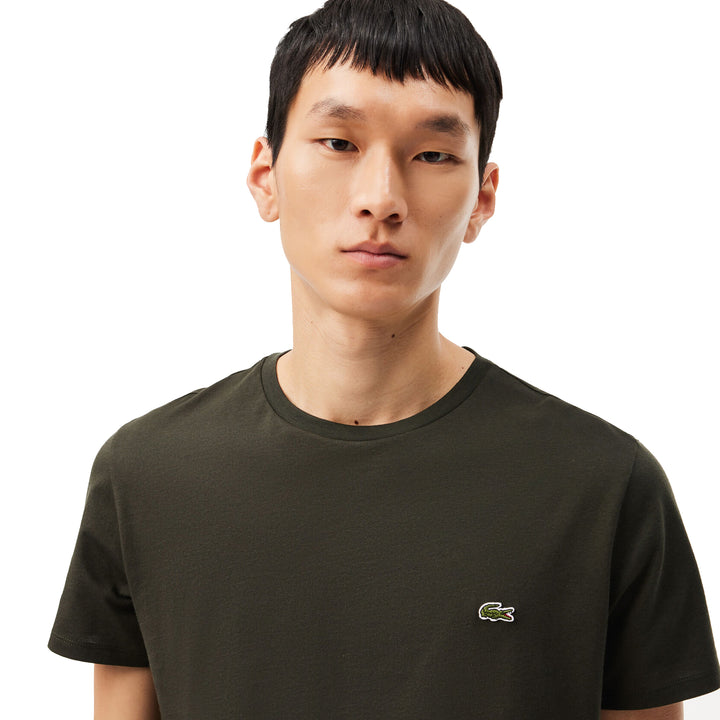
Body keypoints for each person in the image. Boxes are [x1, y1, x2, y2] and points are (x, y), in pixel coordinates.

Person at [48, 0, 719, 717]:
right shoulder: (146, 477)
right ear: (266, 176)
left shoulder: (604, 488)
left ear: (483, 198)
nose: (381, 198)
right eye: (339, 142)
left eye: (433, 155)